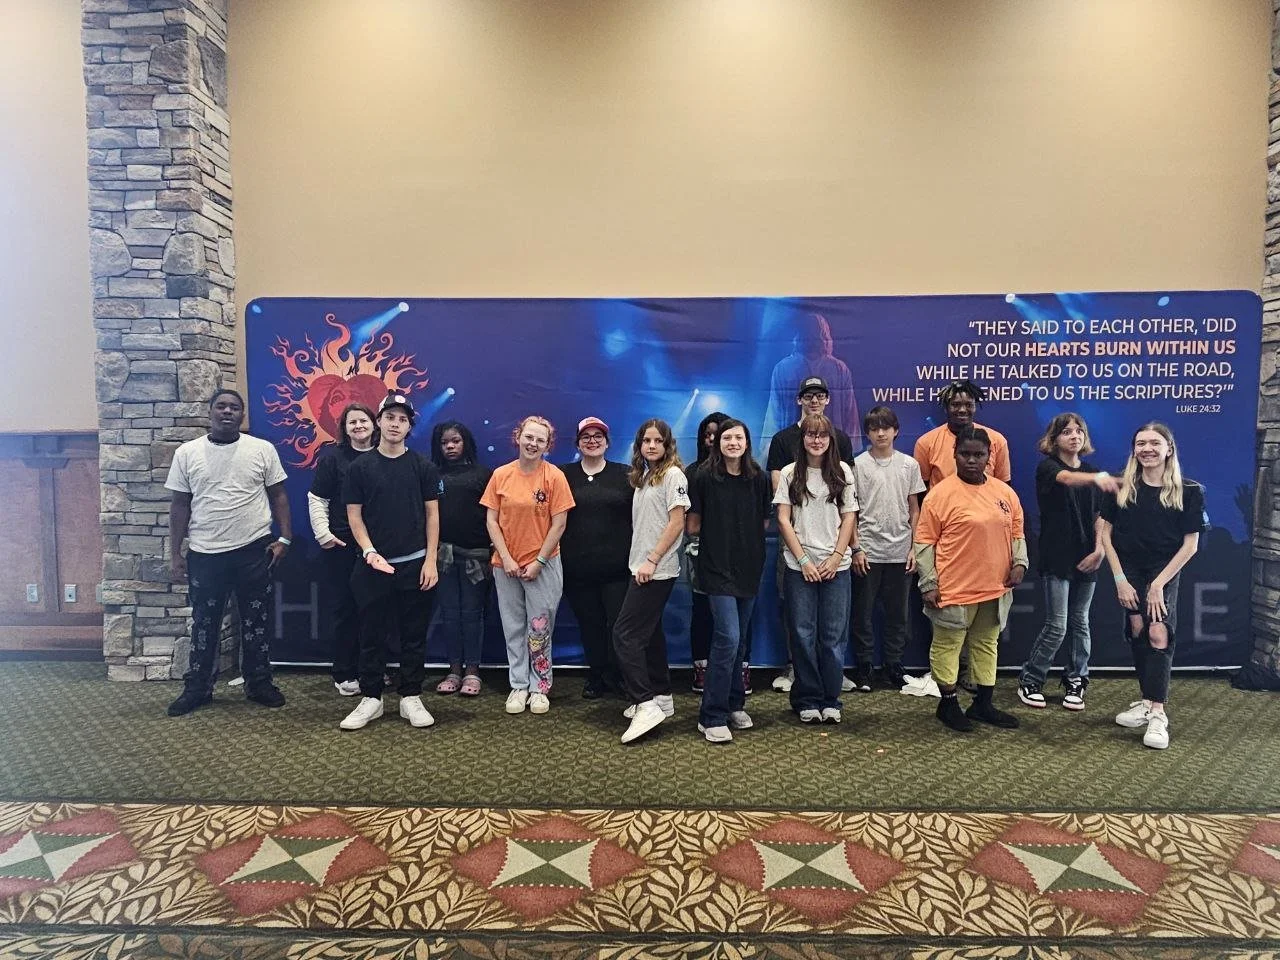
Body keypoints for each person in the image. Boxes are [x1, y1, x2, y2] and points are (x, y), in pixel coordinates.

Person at [164, 389, 291, 717]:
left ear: (242, 415)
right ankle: (198, 687)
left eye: (234, 407)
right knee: (204, 623)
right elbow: (179, 505)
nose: (227, 412)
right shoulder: (187, 453)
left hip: (254, 550)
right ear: (210, 411)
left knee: (256, 623)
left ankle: (259, 683)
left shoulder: (262, 449)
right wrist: (176, 554)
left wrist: (285, 538)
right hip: (205, 553)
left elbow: (279, 495)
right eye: (221, 406)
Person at [339, 391, 441, 730]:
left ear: (409, 426)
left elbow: (432, 515)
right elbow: (354, 516)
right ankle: (372, 698)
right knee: (371, 633)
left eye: (402, 419)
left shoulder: (422, 466)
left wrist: (430, 561)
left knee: (413, 634)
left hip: (415, 564)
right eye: (390, 417)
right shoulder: (359, 468)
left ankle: (410, 696)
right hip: (371, 567)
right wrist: (370, 552)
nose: (395, 424)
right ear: (378, 421)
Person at [914, 426, 1026, 733]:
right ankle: (948, 704)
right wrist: (929, 583)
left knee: (986, 643)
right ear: (954, 455)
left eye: (979, 455)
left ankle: (983, 704)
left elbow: (1017, 532)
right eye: (965, 454)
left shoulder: (1004, 493)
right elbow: (923, 543)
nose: (972, 460)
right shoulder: (939, 495)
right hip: (953, 588)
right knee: (948, 645)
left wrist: (1020, 563)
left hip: (995, 587)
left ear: (990, 457)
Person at [1100, 422, 1205, 750]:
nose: (1147, 449)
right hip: (1128, 569)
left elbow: (1191, 545)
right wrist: (1119, 579)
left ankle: (1158, 714)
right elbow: (1104, 533)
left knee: (1158, 631)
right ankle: (1146, 702)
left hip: (1164, 570)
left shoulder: (1189, 491)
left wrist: (1158, 584)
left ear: (1168, 449)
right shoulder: (1122, 487)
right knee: (1136, 629)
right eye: (1141, 443)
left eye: (1154, 443)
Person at [1017, 414, 1119, 711]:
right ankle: (1031, 678)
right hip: (1056, 555)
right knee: (1057, 625)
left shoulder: (1092, 471)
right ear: (1054, 439)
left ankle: (1076, 681)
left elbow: (1102, 516)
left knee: (1080, 622)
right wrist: (1098, 479)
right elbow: (1068, 479)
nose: (1074, 436)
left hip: (1088, 556)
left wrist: (1099, 550)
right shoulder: (1048, 468)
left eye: (1079, 431)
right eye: (1066, 432)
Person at [766, 377, 856, 694]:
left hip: (836, 561)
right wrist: (803, 558)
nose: (816, 440)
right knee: (799, 626)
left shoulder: (843, 457)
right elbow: (783, 513)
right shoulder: (785, 454)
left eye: (820, 395)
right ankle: (801, 683)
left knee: (833, 633)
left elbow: (849, 514)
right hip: (797, 557)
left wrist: (841, 554)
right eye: (808, 395)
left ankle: (830, 686)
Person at [482, 416, 575, 715]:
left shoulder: (555, 477)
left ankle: (540, 687)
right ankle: (519, 685)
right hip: (505, 565)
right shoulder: (501, 475)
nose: (533, 444)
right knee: (513, 627)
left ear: (548, 445)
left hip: (543, 565)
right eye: (528, 437)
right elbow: (491, 521)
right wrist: (506, 558)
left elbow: (559, 524)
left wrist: (538, 561)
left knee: (539, 629)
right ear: (518, 437)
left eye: (540, 440)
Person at [688, 418, 771, 743]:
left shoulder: (760, 479)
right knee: (727, 639)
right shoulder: (704, 477)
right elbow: (693, 525)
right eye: (727, 438)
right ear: (717, 443)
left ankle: (735, 704)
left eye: (739, 437)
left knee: (740, 644)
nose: (733, 442)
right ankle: (711, 715)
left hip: (749, 570)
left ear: (747, 442)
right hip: (716, 570)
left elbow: (763, 522)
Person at [615, 419, 690, 743]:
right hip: (641, 566)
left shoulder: (673, 475)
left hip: (656, 569)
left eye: (658, 441)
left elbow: (677, 523)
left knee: (625, 635)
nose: (652, 446)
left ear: (668, 444)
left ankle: (644, 703)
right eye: (646, 440)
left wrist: (652, 560)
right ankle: (661, 695)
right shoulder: (644, 477)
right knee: (650, 632)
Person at [850, 405, 925, 692]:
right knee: (863, 613)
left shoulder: (909, 465)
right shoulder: (857, 465)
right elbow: (851, 512)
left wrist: (913, 547)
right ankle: (865, 666)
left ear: (896, 430)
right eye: (874, 428)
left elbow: (915, 509)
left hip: (901, 551)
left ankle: (893, 664)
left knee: (899, 614)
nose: (880, 433)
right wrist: (856, 548)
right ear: (867, 432)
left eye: (886, 427)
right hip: (867, 551)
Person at [308, 402, 377, 696]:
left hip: (378, 547)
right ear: (344, 428)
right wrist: (323, 534)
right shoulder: (332, 459)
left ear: (374, 424)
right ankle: (344, 672)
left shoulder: (385, 457)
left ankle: (371, 669)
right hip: (342, 545)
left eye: (363, 420)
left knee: (375, 610)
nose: (359, 426)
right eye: (352, 422)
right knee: (345, 609)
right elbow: (317, 498)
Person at [560, 417, 632, 699]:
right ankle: (597, 675)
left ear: (607, 441)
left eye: (598, 435)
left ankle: (619, 676)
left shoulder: (625, 475)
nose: (592, 440)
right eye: (586, 436)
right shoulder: (562, 475)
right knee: (589, 625)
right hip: (577, 568)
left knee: (618, 626)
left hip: (617, 568)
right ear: (578, 442)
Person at [430, 420, 493, 698]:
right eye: (445, 443)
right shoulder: (432, 474)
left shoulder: (483, 475)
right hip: (442, 556)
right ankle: (453, 669)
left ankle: (472, 671)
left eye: (455, 441)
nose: (450, 446)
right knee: (449, 614)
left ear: (465, 442)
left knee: (472, 614)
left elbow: (495, 517)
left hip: (476, 557)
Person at [763, 312, 859, 448]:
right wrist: (772, 448)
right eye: (809, 333)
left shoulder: (838, 369)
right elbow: (774, 413)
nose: (813, 338)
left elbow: (850, 414)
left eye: (817, 332)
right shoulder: (784, 368)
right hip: (791, 446)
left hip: (832, 446)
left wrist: (849, 450)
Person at [687, 411, 728, 693]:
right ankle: (700, 668)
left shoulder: (745, 471)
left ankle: (739, 669)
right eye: (707, 433)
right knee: (702, 611)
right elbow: (690, 523)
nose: (712, 439)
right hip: (700, 553)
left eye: (718, 433)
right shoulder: (692, 472)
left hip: (735, 556)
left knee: (734, 616)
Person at [913, 380, 1011, 487]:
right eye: (955, 405)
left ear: (975, 407)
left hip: (985, 503)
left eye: (969, 405)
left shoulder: (997, 440)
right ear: (946, 408)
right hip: (943, 503)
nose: (962, 410)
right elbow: (921, 490)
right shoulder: (926, 443)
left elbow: (1004, 487)